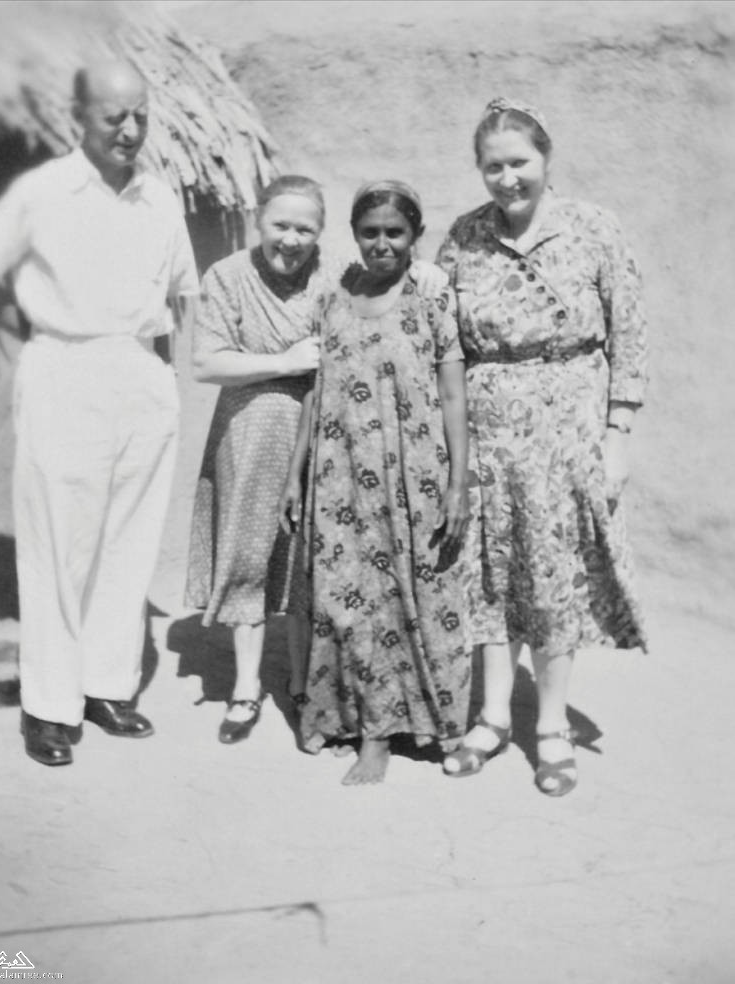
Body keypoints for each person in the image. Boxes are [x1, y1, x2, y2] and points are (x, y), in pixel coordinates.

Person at [0, 60, 199, 766]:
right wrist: (38, 326)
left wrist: (163, 382)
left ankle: (106, 687)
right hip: (65, 369)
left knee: (129, 539)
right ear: (78, 117)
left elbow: (181, 291)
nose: (129, 129)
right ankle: (49, 706)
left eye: (140, 115)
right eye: (113, 116)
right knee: (58, 545)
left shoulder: (160, 198)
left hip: (141, 371)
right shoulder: (41, 192)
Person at [187, 176, 449, 746]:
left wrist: (427, 270)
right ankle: (246, 687)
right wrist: (283, 361)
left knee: (313, 561)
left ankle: (307, 682)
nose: (291, 239)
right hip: (252, 427)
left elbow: (390, 269)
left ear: (321, 233)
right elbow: (205, 363)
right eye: (280, 225)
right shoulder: (227, 276)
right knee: (249, 554)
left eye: (304, 229)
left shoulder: (336, 274)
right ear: (259, 220)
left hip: (328, 434)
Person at [436, 97, 648, 796]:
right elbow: (442, 340)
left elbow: (629, 333)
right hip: (488, 437)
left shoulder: (593, 228)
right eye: (492, 167)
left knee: (554, 576)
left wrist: (617, 434)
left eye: (519, 162)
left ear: (546, 158)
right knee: (489, 574)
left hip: (569, 432)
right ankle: (493, 717)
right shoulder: (464, 237)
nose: (507, 179)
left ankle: (551, 725)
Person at [280, 180, 470, 785]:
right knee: (344, 600)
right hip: (338, 477)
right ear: (354, 235)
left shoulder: (432, 302)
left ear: (415, 235)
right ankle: (357, 721)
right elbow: (315, 392)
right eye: (370, 232)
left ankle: (391, 731)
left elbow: (453, 396)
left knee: (407, 598)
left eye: (395, 232)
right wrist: (295, 474)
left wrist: (458, 483)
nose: (382, 243)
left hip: (412, 478)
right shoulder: (333, 299)